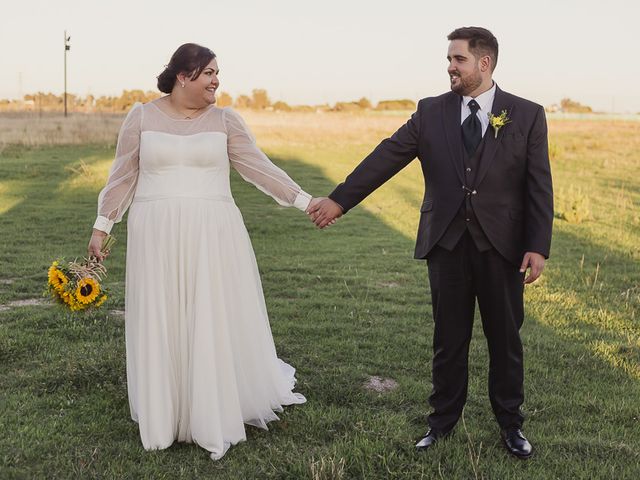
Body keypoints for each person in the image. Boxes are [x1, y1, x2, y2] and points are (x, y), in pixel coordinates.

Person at [308, 27, 553, 459]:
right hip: (446, 243)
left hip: (504, 247)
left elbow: (538, 186)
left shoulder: (527, 114)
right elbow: (386, 156)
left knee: (506, 340)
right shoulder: (431, 111)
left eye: (457, 59)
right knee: (448, 339)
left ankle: (511, 426)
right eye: (449, 59)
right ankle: (440, 423)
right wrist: (340, 200)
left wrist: (538, 245)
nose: (449, 67)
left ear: (484, 63)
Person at [87, 43, 320, 460]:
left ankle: (209, 412)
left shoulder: (226, 120)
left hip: (213, 231)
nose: (217, 81)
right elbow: (122, 175)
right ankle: (165, 415)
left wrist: (305, 202)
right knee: (163, 316)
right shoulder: (140, 116)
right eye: (210, 73)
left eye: (217, 74)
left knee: (207, 314)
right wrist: (103, 225)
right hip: (154, 232)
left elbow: (258, 167)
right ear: (184, 75)